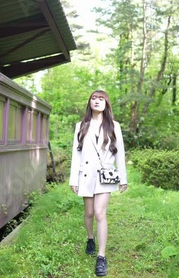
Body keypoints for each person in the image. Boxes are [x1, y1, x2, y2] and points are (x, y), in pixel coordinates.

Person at [69, 89, 128, 276]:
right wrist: (73, 178)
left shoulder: (114, 125)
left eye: (101, 98)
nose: (97, 101)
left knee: (99, 213)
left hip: (105, 175)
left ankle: (101, 257)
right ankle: (90, 238)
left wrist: (123, 178)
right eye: (94, 98)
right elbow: (76, 154)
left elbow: (120, 152)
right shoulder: (81, 125)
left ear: (106, 104)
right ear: (90, 103)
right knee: (88, 212)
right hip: (85, 174)